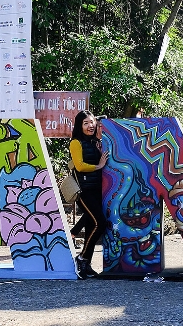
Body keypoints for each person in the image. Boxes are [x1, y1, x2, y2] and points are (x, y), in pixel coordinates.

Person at [69, 110, 108, 279]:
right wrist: (98, 166)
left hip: (98, 189)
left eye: (92, 122)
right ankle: (81, 258)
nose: (90, 125)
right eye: (86, 123)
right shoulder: (76, 143)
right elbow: (80, 166)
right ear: (80, 125)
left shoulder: (95, 142)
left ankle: (87, 265)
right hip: (84, 191)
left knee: (92, 225)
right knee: (100, 223)